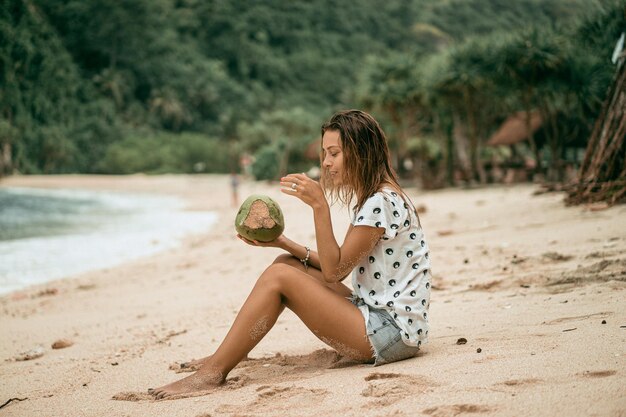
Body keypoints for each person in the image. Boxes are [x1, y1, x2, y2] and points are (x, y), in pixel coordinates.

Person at [149, 110, 432, 399]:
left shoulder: (379, 203)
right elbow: (339, 262)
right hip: (385, 323)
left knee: (279, 277)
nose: (326, 162)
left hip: (390, 335)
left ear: (361, 152)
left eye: (334, 153)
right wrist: (283, 243)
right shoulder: (379, 197)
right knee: (286, 264)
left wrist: (319, 205)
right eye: (325, 153)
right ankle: (227, 354)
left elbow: (335, 271)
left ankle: (211, 374)